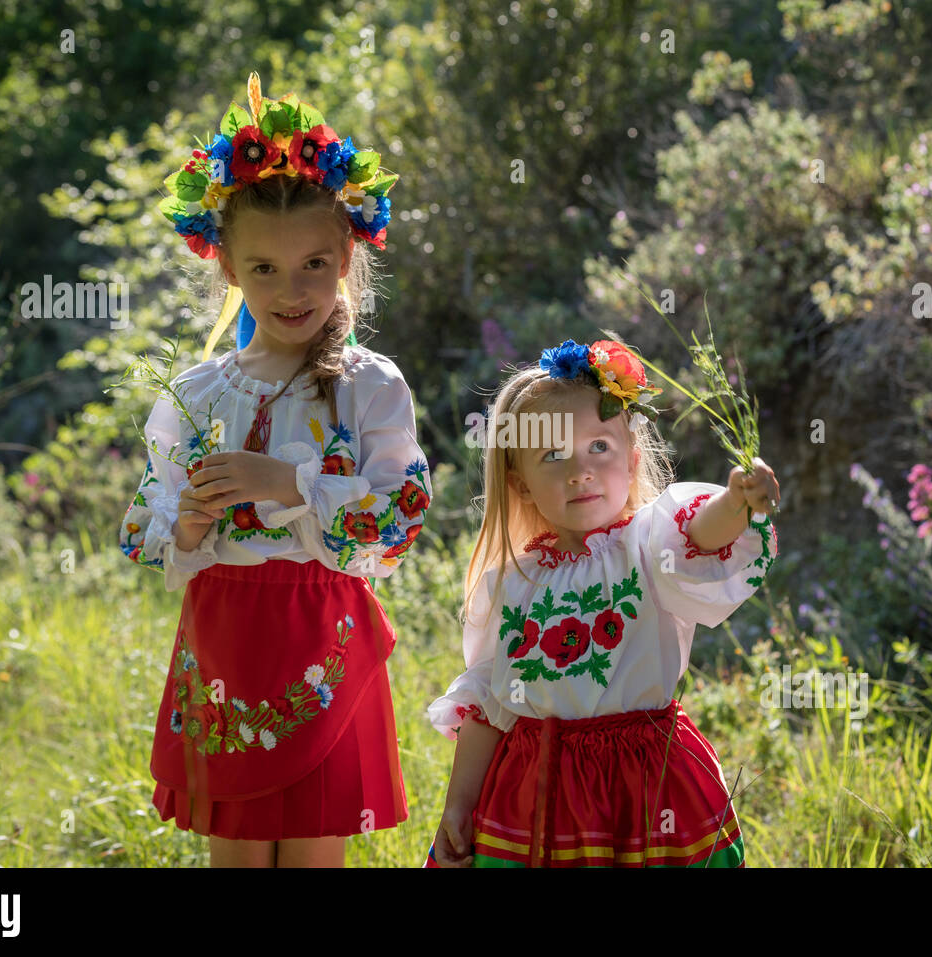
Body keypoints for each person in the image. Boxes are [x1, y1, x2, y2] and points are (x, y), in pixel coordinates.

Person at [118, 72, 431, 868]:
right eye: (264, 269)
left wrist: (285, 483)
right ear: (226, 266)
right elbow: (147, 521)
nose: (291, 291)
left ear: (347, 254)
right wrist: (184, 526)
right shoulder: (196, 394)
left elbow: (398, 521)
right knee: (237, 855)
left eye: (313, 265)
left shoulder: (368, 385)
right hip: (225, 638)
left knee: (313, 853)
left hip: (320, 634)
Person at [424, 338, 779, 867]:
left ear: (632, 463)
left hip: (644, 786)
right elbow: (488, 703)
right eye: (552, 455)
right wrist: (459, 803)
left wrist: (735, 502)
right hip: (536, 795)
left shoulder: (647, 546)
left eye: (598, 447)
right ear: (520, 486)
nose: (580, 470)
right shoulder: (511, 583)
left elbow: (702, 534)